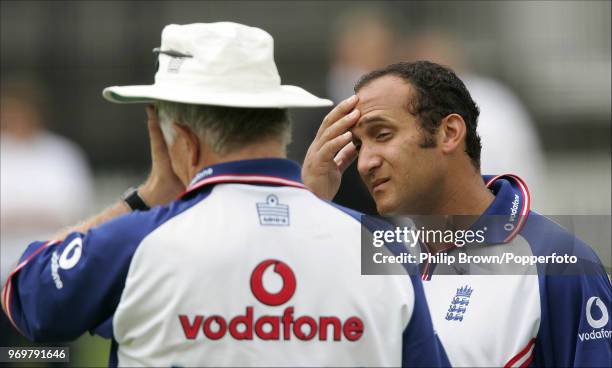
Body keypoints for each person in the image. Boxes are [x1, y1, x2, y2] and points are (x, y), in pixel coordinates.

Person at [1, 23, 449, 367]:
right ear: (280, 123)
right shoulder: (383, 249)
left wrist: (147, 197)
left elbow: (27, 295)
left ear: (182, 140)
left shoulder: (137, 244)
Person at [302, 61, 611, 367]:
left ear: (449, 132)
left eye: (382, 135)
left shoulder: (560, 261)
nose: (365, 162)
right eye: (358, 144)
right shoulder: (368, 252)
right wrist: (311, 203)